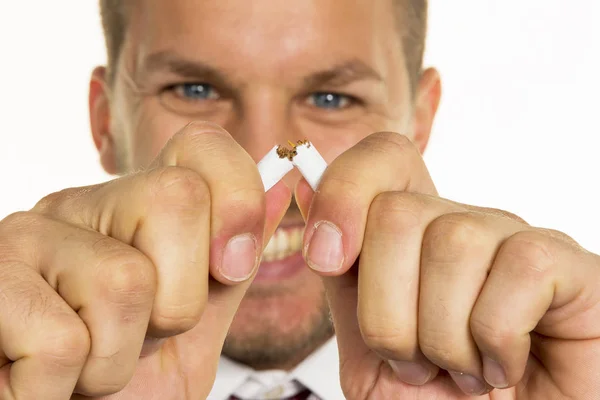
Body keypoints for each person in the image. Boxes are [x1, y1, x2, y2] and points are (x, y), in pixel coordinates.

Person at [0, 0, 598, 399]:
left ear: (419, 121)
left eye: (333, 97)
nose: (263, 153)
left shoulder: (536, 374)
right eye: (195, 88)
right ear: (106, 122)